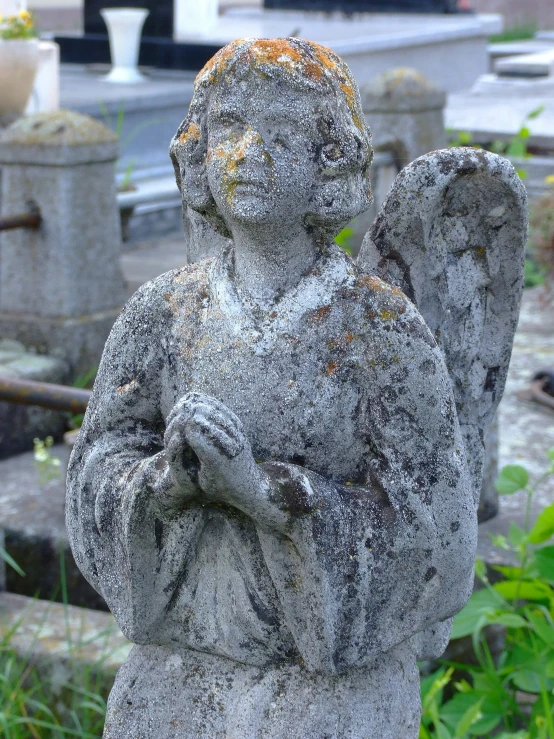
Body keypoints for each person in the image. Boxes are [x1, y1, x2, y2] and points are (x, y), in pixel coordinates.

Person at [67, 38, 477, 738]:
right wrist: (169, 480)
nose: (250, 150)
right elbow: (97, 464)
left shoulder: (379, 329)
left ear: (330, 159)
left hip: (326, 693)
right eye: (229, 126)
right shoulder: (163, 312)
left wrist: (264, 493)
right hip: (174, 680)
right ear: (199, 149)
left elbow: (436, 527)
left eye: (282, 132)